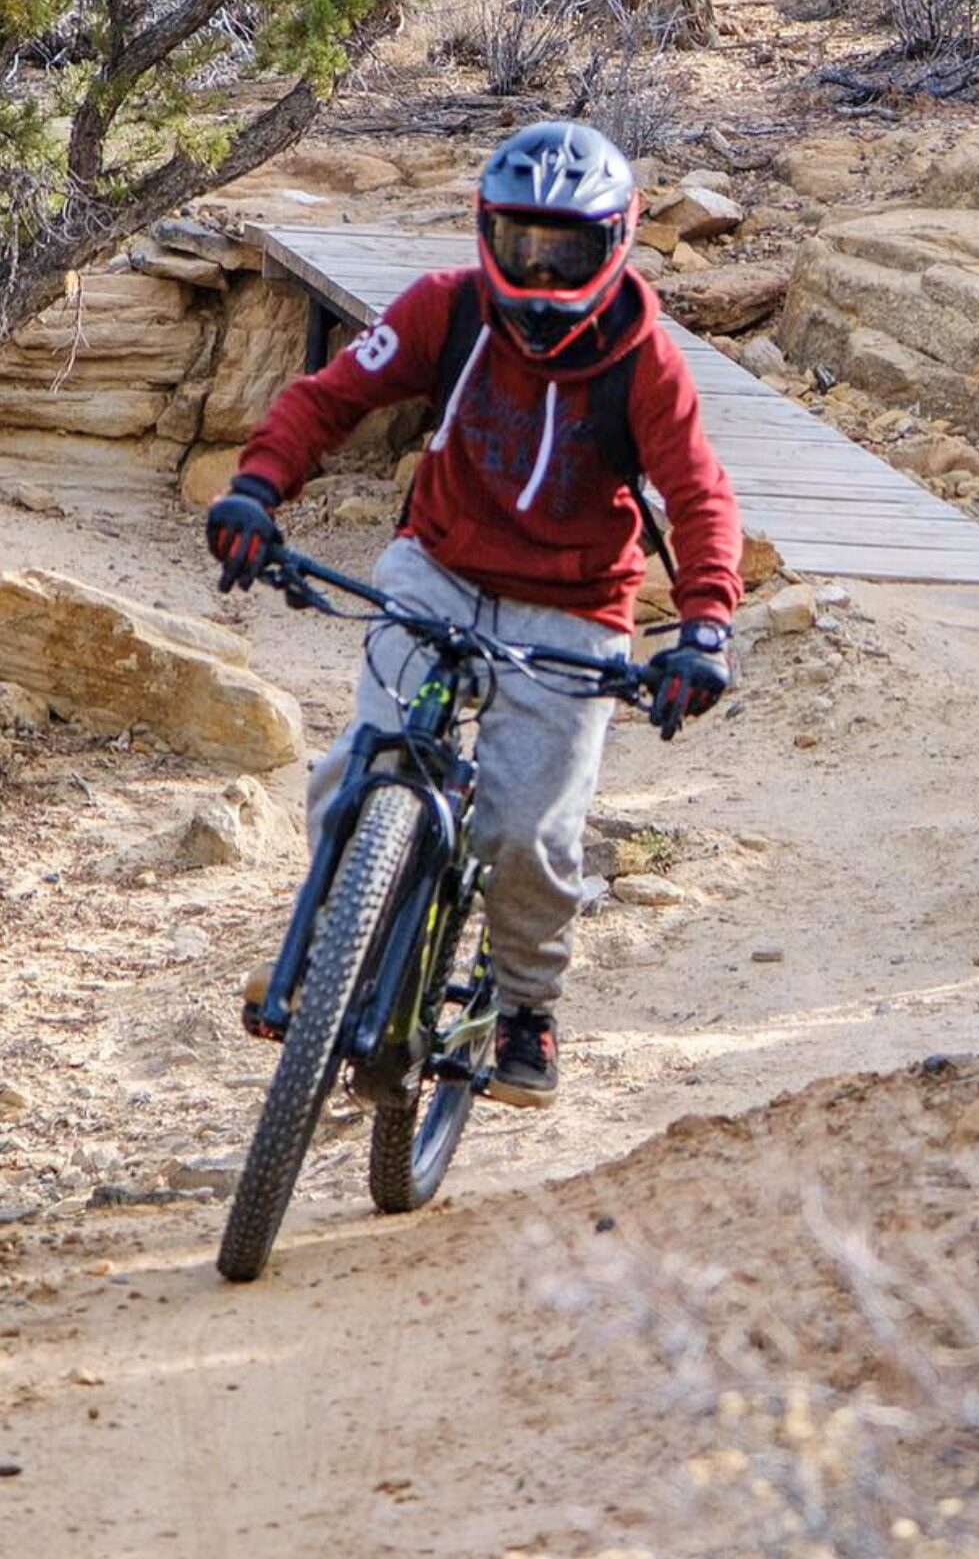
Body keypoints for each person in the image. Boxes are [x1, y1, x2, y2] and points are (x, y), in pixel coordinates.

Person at [206, 120, 743, 1108]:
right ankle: (330, 960)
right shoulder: (444, 311)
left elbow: (701, 496)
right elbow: (327, 398)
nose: (538, 273)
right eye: (519, 244)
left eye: (565, 250)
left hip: (576, 608)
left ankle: (528, 1009)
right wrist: (256, 490)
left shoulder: (646, 362)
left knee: (525, 833)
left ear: (615, 242)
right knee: (359, 767)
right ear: (484, 233)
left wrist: (704, 626)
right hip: (437, 567)